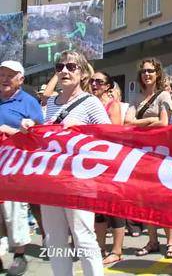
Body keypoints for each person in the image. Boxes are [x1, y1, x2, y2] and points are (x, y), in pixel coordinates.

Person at [20, 51, 108, 276]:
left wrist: (80, 135)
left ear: (82, 71)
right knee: (55, 240)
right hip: (52, 180)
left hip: (79, 180)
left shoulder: (91, 103)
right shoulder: (52, 104)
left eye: (71, 66)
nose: (65, 71)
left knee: (83, 237)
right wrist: (32, 129)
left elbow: (111, 138)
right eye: (60, 67)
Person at [124, 58, 172, 259]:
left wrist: (139, 122)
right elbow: (127, 123)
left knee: (165, 198)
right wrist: (149, 120)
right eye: (144, 71)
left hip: (162, 152)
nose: (147, 74)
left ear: (157, 73)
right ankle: (152, 240)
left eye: (151, 71)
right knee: (147, 199)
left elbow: (164, 123)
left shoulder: (163, 95)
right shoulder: (136, 98)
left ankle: (170, 241)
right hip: (142, 153)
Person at [0, 60, 44, 276]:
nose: (5, 79)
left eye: (10, 75)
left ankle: (19, 255)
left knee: (14, 210)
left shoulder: (29, 102)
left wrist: (12, 130)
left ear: (21, 79)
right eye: (2, 74)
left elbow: (40, 135)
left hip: (15, 166)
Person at [87, 71, 127, 265]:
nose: (94, 84)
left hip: (109, 162)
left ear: (108, 86)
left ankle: (117, 250)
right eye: (92, 81)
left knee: (114, 208)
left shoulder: (114, 105)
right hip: (92, 162)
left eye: (99, 82)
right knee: (97, 209)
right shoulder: (87, 103)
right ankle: (100, 246)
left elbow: (115, 133)